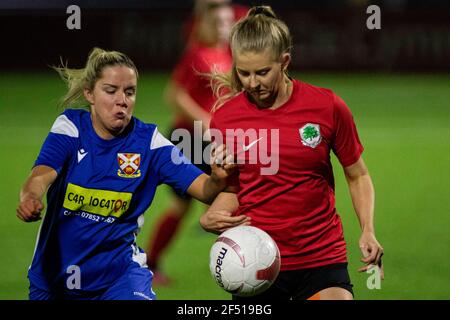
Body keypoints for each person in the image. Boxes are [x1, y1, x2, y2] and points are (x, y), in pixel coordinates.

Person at [16, 47, 234, 300]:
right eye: (111, 91)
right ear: (90, 94)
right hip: (54, 280)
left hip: (120, 279)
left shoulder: (151, 144)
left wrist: (218, 177)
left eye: (129, 92)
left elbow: (205, 190)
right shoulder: (70, 128)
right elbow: (41, 174)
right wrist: (31, 197)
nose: (122, 100)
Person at [200, 6, 384, 300]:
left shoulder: (327, 106)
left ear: (284, 61)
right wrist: (213, 215)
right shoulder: (225, 119)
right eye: (243, 73)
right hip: (256, 261)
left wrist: (368, 229)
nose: (252, 83)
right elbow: (236, 188)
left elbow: (358, 174)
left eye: (262, 72)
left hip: (321, 256)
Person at [144, 0, 236, 285]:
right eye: (219, 22)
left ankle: (151, 263)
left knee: (217, 202)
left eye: (228, 22)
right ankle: (150, 263)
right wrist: (205, 120)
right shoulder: (197, 54)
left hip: (208, 141)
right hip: (189, 140)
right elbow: (174, 95)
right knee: (224, 201)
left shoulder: (224, 52)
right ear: (204, 23)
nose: (225, 27)